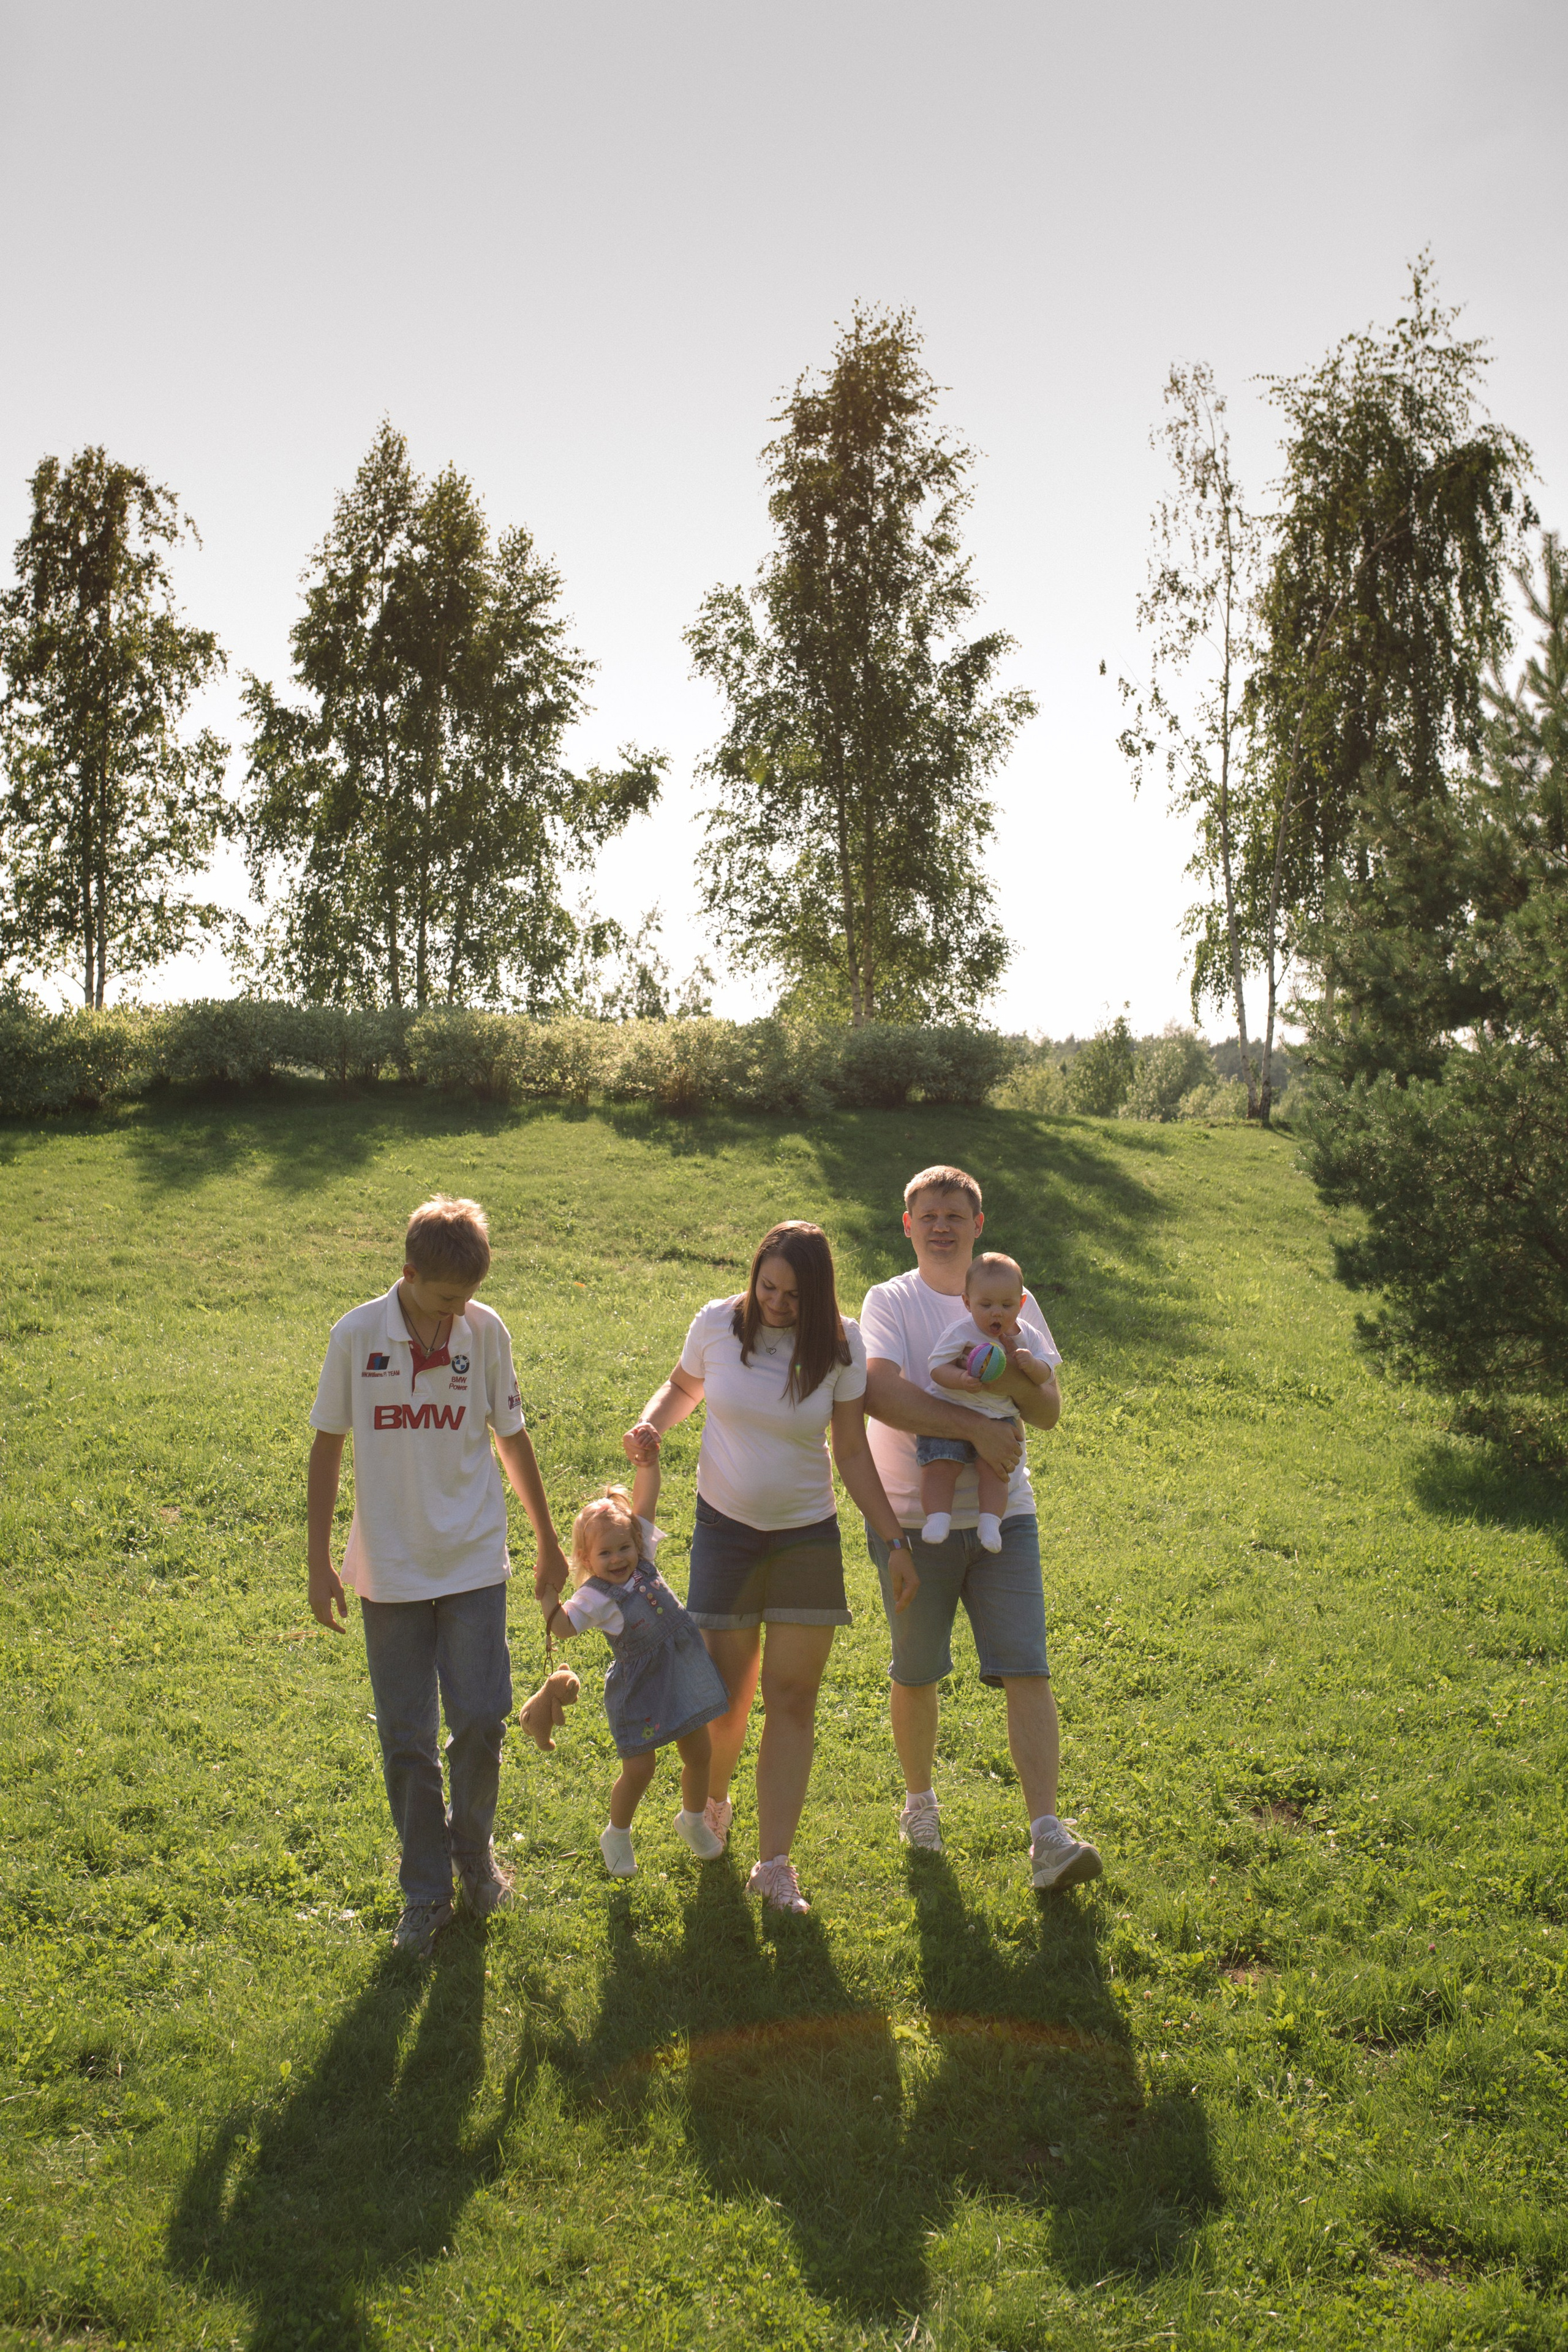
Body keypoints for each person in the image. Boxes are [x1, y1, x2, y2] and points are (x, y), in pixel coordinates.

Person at [623, 1220, 916, 1914]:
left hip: (804, 1538)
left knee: (792, 1697)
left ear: (817, 1295)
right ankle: (715, 1802)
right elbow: (680, 1387)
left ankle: (774, 1864)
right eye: (768, 1287)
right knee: (727, 1693)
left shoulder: (841, 1342)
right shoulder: (718, 1323)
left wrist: (895, 1541)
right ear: (754, 1277)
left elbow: (849, 1451)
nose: (777, 1303)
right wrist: (651, 1426)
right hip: (725, 1532)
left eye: (792, 1295)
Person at [306, 1194, 569, 1958]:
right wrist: (320, 1559)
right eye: (449, 1298)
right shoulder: (357, 1335)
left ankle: (475, 1856)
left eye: (471, 1297)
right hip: (388, 1569)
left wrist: (547, 1541)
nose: (461, 1312)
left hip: (473, 1560)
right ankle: (425, 1892)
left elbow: (512, 1440)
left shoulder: (484, 1333)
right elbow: (327, 1446)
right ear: (409, 1274)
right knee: (406, 1738)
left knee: (484, 1719)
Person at [859, 1166, 1102, 1891]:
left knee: (1027, 1665)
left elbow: (1049, 1409)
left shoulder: (1010, 1297)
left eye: (955, 1216)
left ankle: (1046, 1836)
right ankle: (919, 1803)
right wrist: (975, 1425)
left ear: (977, 1224)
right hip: (912, 1518)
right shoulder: (890, 1300)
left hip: (1007, 1516)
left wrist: (1010, 1379)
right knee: (917, 1669)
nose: (941, 1226)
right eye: (927, 1215)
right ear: (907, 1225)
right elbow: (879, 1391)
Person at [541, 1453, 730, 1879]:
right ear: (587, 1561)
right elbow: (564, 1627)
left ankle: (693, 1819)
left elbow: (647, 1497)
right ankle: (618, 1833)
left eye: (624, 1547)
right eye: (605, 1553)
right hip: (640, 1687)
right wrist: (547, 1595)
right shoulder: (595, 1597)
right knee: (641, 1768)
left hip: (680, 1675)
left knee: (699, 1752)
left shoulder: (644, 1559)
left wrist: (648, 1462)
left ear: (637, 1544)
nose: (618, 1559)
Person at [921, 1251, 1059, 1550]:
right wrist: (960, 1380)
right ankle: (938, 1517)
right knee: (940, 1464)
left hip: (1000, 1416)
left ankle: (990, 1525)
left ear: (1021, 1304)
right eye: (986, 1305)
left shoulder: (1029, 1337)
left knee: (996, 1472)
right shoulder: (960, 1332)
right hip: (953, 1411)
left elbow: (1047, 1372)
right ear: (967, 1302)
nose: (996, 1313)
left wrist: (1029, 1366)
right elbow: (937, 1367)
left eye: (1007, 1305)